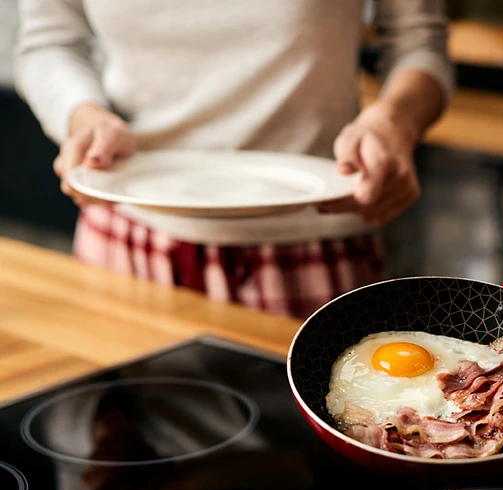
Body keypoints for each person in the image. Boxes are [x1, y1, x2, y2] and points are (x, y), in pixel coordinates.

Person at [14, 0, 453, 318]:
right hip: (123, 235)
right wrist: (81, 114)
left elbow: (420, 43)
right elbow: (50, 43)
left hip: (311, 245)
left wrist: (397, 119)